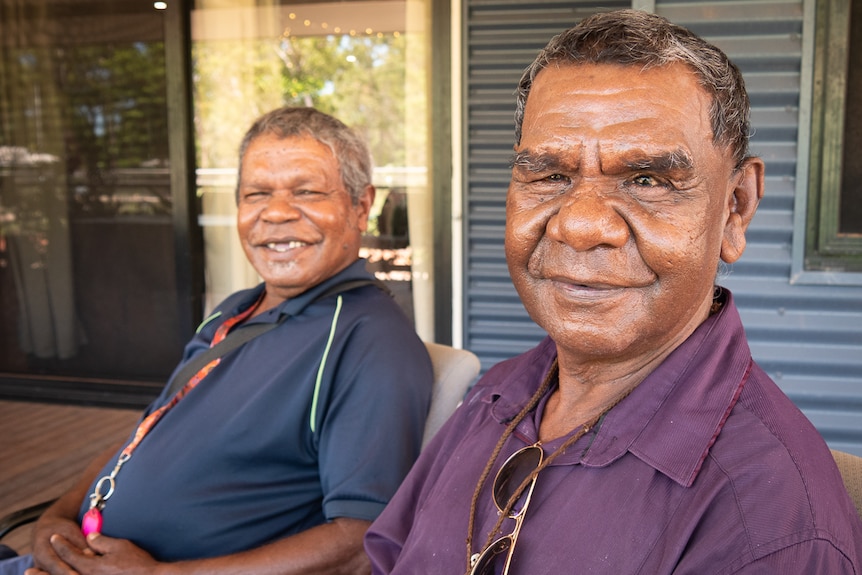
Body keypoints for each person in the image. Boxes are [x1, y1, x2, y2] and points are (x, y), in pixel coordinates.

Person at [364, 9, 862, 574]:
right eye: (550, 175)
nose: (580, 225)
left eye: (647, 180)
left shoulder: (768, 526)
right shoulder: (504, 392)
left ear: (735, 209)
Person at [1, 106, 433, 575]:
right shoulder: (235, 310)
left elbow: (359, 544)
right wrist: (56, 518)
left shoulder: (368, 342)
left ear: (361, 206)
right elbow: (149, 432)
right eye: (256, 193)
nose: (277, 213)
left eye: (306, 191)